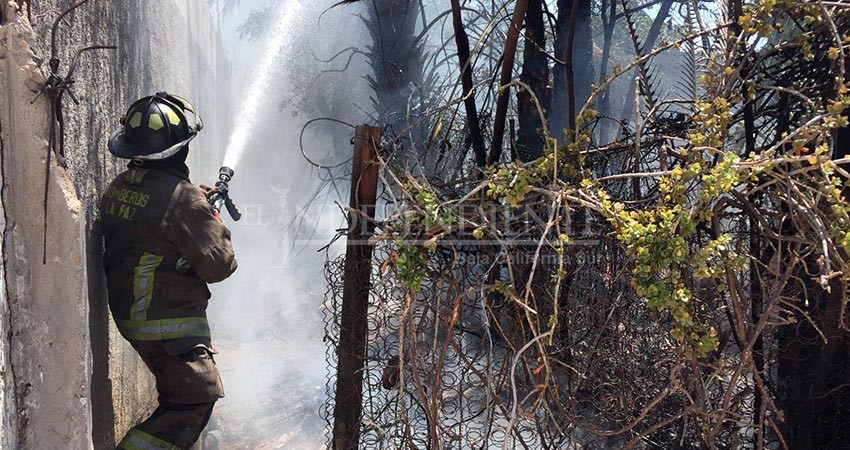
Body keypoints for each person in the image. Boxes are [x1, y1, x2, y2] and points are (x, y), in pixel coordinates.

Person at [101, 92, 238, 450]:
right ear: (181, 147)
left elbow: (155, 229)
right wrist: (210, 219)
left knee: (181, 401)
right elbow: (218, 266)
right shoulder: (185, 200)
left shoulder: (120, 187)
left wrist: (196, 207)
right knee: (194, 399)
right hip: (166, 322)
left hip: (133, 313)